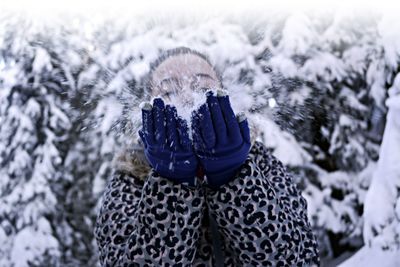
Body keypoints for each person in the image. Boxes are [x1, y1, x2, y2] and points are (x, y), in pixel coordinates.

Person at [94, 46, 320, 266]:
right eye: (169, 91)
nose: (187, 98)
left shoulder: (260, 164)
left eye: (201, 87)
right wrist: (171, 184)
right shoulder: (131, 177)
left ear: (223, 95)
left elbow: (299, 259)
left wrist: (233, 177)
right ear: (149, 108)